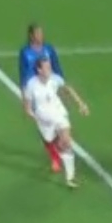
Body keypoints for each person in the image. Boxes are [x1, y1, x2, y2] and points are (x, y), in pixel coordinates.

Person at [23, 57, 90, 188]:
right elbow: (27, 103)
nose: (50, 69)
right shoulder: (31, 84)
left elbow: (68, 89)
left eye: (50, 67)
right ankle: (58, 150)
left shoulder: (55, 79)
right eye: (47, 67)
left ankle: (70, 178)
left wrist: (81, 104)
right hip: (44, 119)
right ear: (39, 70)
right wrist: (30, 113)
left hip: (59, 113)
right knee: (50, 141)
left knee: (66, 141)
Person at [18, 23, 66, 170]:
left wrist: (61, 85)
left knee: (58, 120)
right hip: (35, 92)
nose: (40, 36)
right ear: (31, 35)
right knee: (44, 126)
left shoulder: (49, 49)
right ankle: (54, 157)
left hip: (50, 87)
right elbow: (23, 73)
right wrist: (24, 95)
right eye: (37, 33)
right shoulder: (25, 52)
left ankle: (58, 143)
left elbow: (56, 67)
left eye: (41, 33)